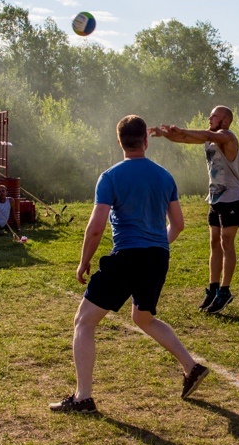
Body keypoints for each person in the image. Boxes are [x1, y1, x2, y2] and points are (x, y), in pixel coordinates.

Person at [50, 115, 208, 413]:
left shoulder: (110, 176)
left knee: (83, 322)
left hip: (128, 256)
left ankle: (83, 397)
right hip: (157, 257)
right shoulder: (164, 176)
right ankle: (191, 367)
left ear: (119, 141)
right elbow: (178, 225)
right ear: (146, 142)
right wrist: (157, 245)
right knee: (143, 318)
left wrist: (83, 262)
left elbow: (96, 227)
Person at [150, 105, 239, 314]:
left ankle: (225, 291)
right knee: (214, 242)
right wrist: (165, 135)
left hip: (232, 197)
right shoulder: (210, 139)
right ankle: (213, 289)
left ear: (225, 121)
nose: (210, 117)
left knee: (226, 241)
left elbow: (202, 134)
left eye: (215, 116)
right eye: (210, 115)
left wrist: (182, 130)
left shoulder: (227, 136)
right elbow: (185, 139)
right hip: (215, 198)